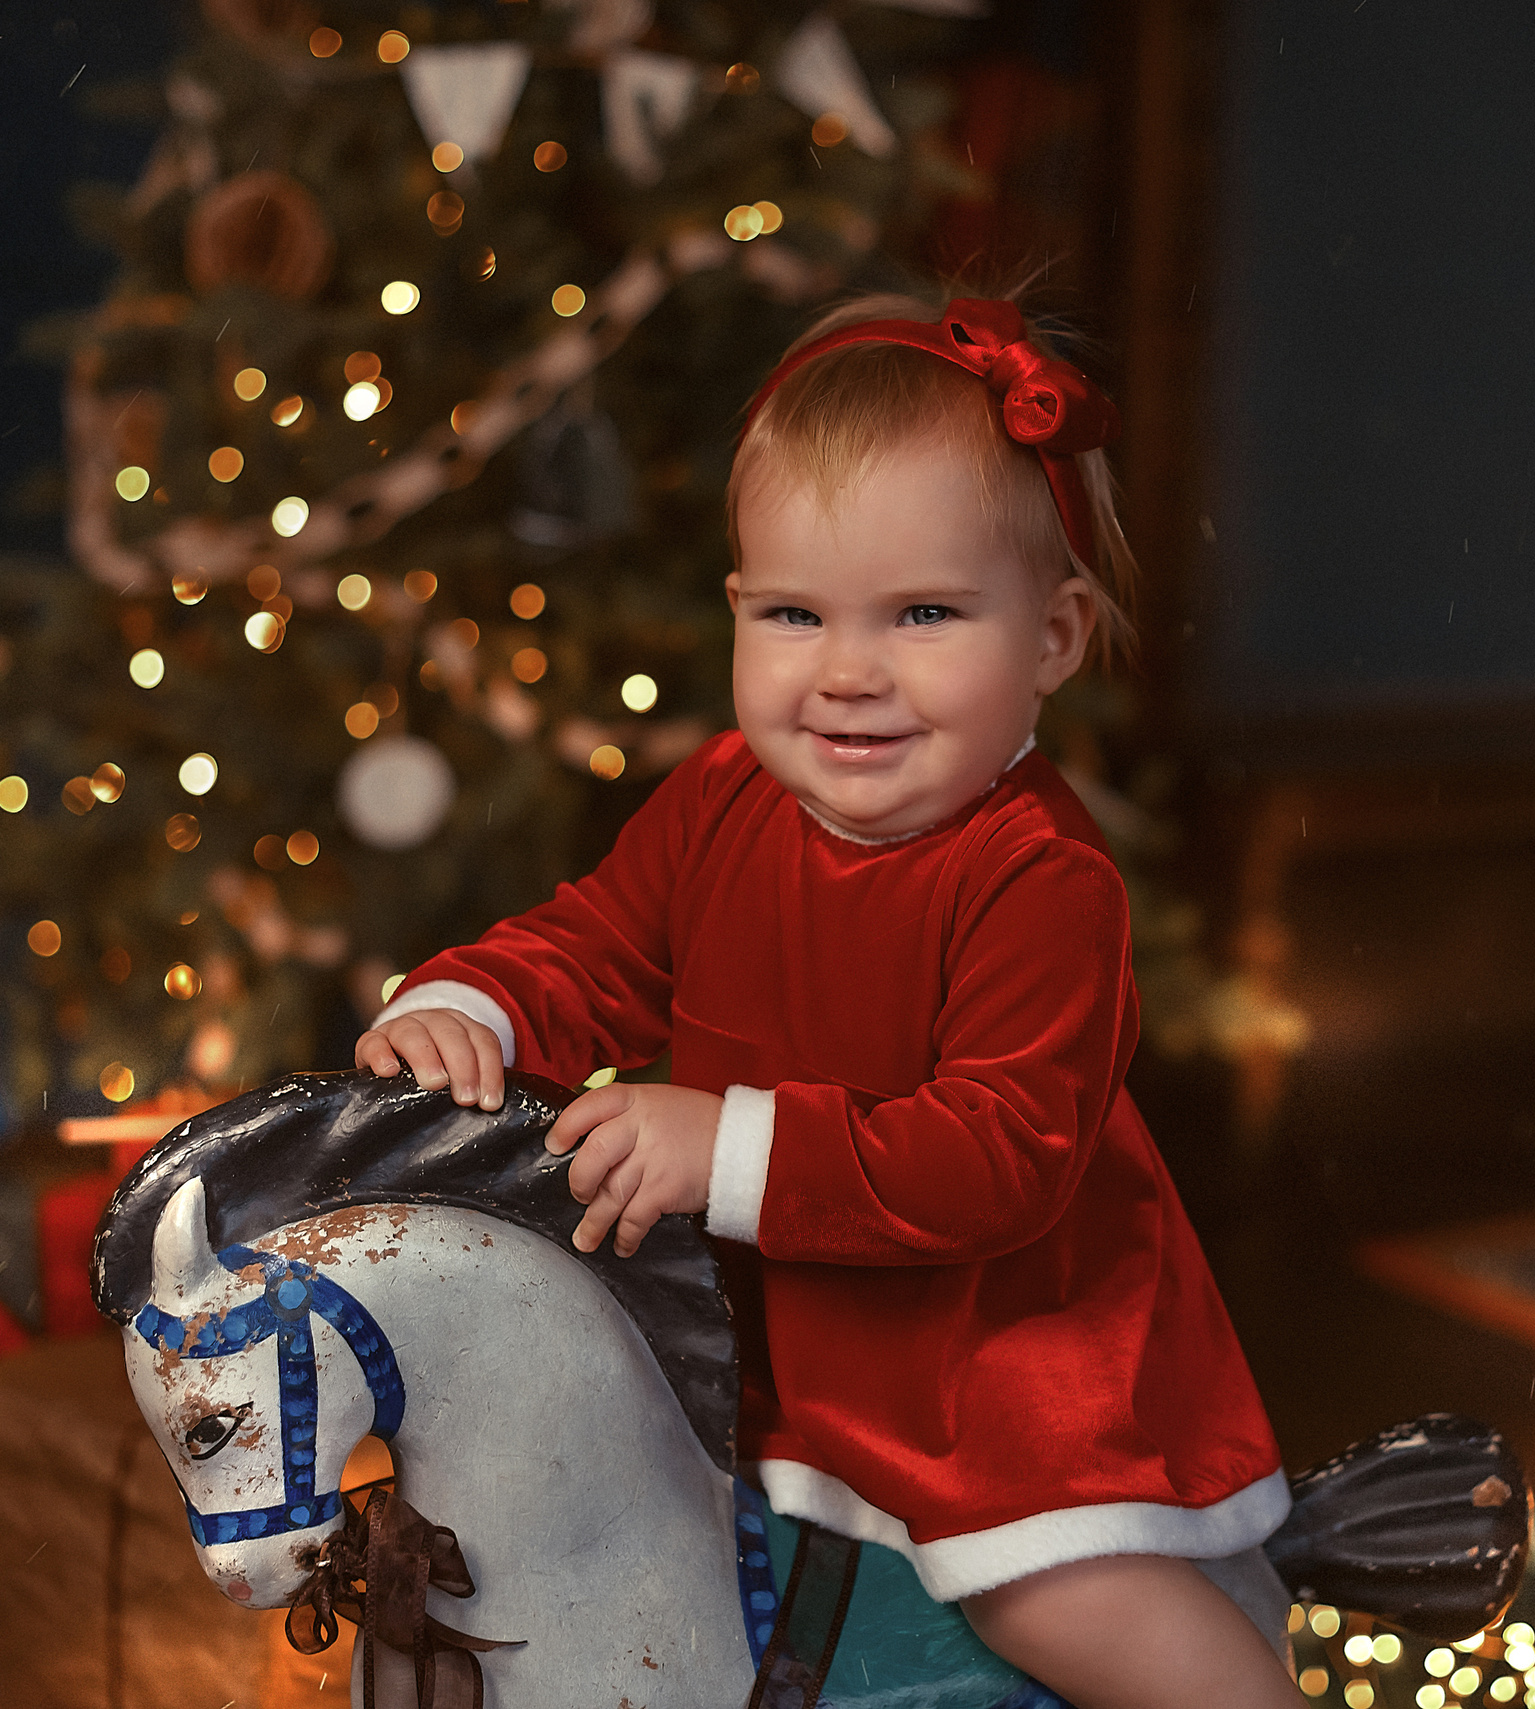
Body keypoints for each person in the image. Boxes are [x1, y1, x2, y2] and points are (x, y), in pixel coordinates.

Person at [356, 293, 1301, 1707]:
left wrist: (720, 1144)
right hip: (765, 1337)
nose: (850, 673)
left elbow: (995, 1158)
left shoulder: (1040, 878)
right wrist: (476, 1006)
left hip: (993, 1367)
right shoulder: (722, 801)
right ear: (738, 611)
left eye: (924, 613)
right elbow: (599, 943)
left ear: (1052, 638)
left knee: (1059, 1594)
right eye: (797, 613)